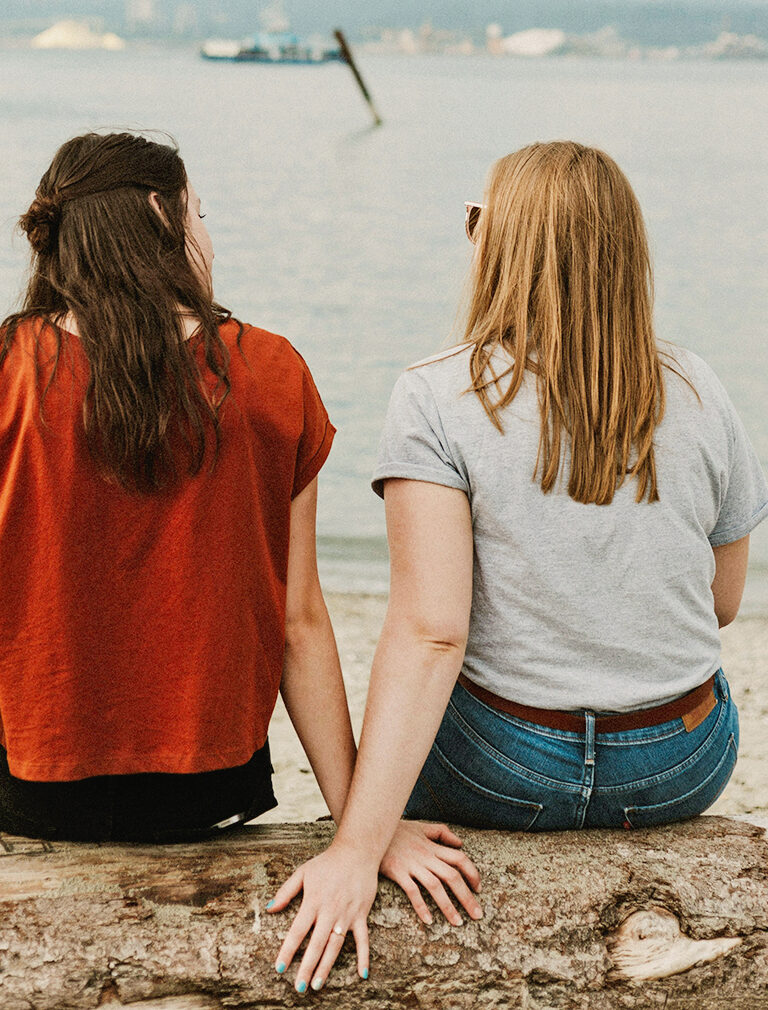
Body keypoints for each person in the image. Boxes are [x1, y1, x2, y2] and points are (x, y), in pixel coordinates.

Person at [266, 140, 768, 990]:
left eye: (477, 223)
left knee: (419, 714)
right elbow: (720, 603)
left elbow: (432, 635)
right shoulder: (698, 387)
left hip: (502, 767)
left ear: (500, 250)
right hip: (682, 763)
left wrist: (357, 842)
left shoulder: (436, 397)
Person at [0, 131, 480, 957]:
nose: (209, 236)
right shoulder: (269, 372)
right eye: (202, 213)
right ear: (163, 215)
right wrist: (360, 828)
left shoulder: (9, 366)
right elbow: (299, 622)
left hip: (30, 785)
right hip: (207, 787)